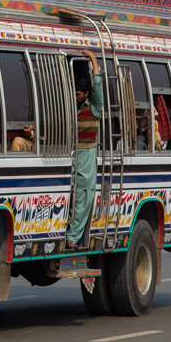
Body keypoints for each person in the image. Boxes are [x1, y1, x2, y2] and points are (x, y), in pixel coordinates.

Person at [66, 50, 103, 249]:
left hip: (86, 154)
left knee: (83, 195)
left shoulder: (95, 106)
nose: (75, 96)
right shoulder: (71, 106)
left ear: (86, 95)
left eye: (78, 94)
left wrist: (93, 59)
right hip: (70, 152)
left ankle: (72, 237)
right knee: (70, 193)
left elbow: (97, 84)